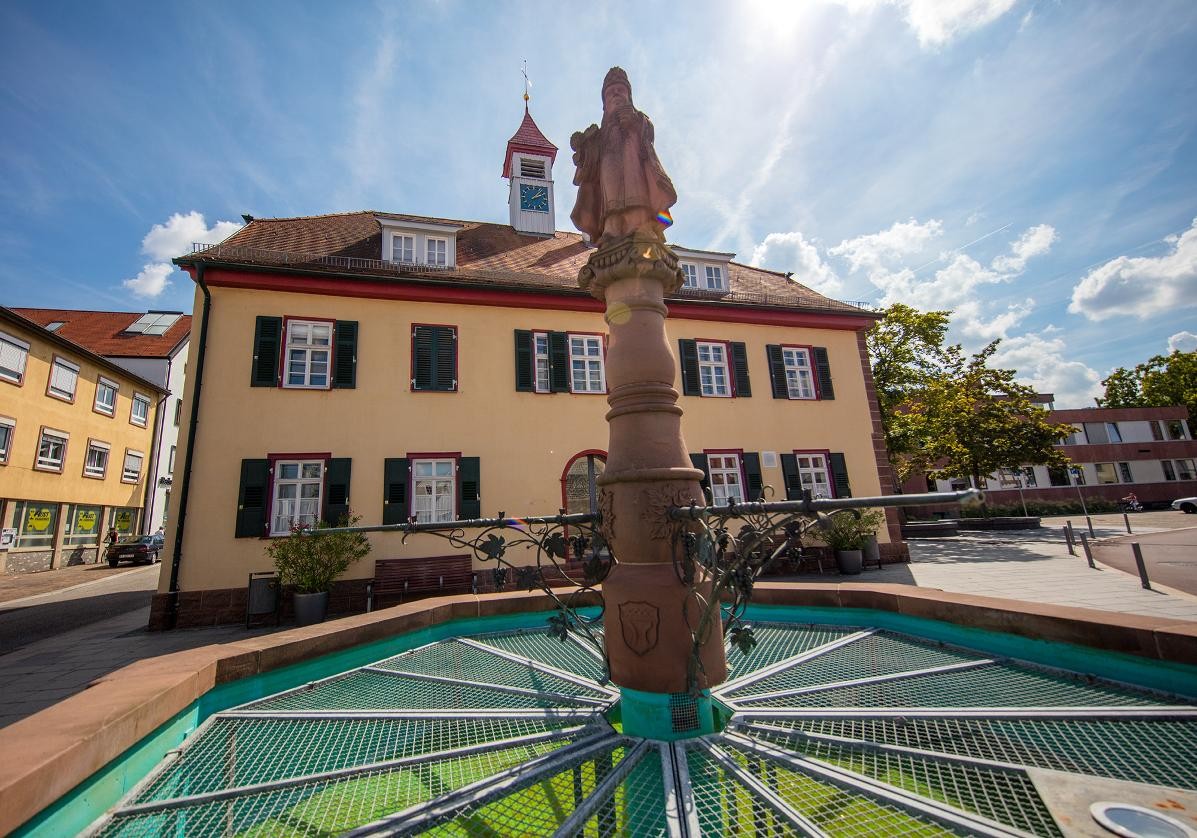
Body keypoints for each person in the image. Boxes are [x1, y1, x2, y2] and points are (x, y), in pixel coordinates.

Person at [570, 67, 677, 245]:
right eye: (611, 92)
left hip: (632, 161)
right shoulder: (600, 133)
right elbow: (588, 164)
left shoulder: (638, 118)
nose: (616, 94)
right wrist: (583, 149)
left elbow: (648, 132)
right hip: (608, 164)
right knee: (610, 193)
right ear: (604, 104)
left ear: (629, 96)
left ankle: (640, 224)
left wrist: (635, 121)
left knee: (635, 188)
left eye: (620, 90)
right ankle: (611, 227)